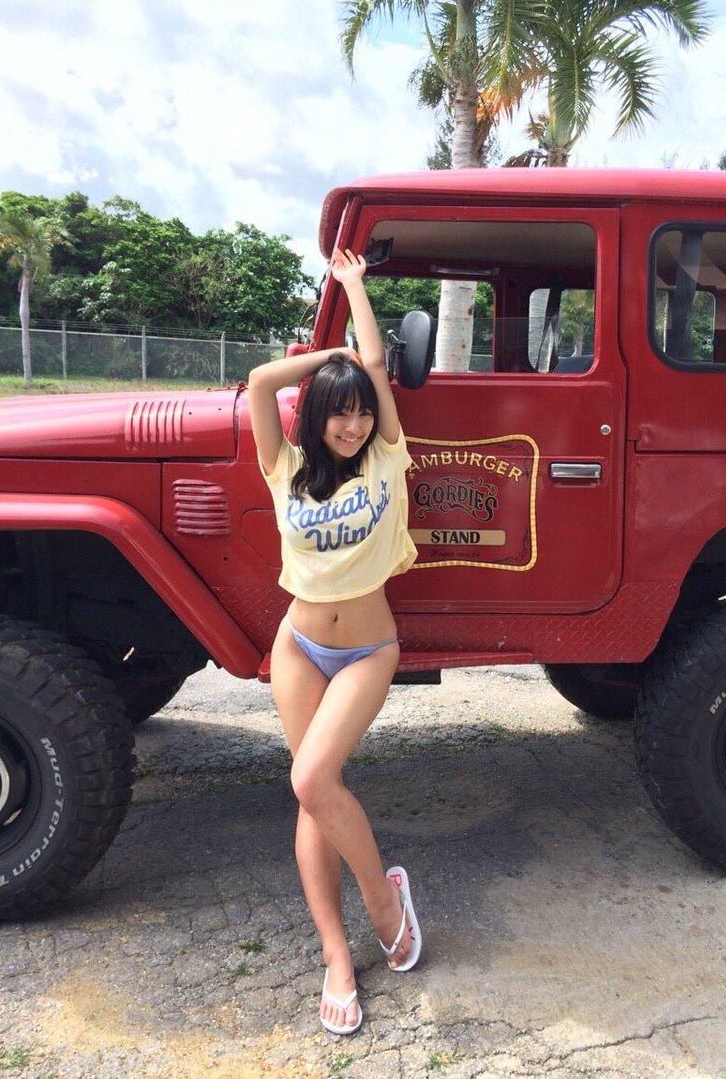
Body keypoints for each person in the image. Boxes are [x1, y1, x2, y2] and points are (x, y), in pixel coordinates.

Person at [248, 247, 421, 1035]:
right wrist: (328, 363)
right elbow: (261, 383)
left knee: (313, 779)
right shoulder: (282, 466)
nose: (353, 425)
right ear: (317, 414)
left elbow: (376, 365)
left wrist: (354, 289)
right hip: (299, 646)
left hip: (367, 650)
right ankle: (336, 955)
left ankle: (384, 903)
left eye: (361, 411)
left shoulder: (387, 456)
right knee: (312, 794)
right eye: (338, 412)